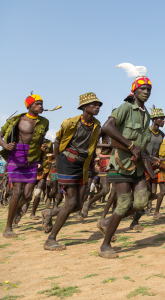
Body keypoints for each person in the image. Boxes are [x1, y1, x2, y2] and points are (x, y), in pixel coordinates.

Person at [97, 63, 152, 258]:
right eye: (142, 89)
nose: (146, 92)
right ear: (134, 91)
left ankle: (107, 222)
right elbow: (107, 127)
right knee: (122, 204)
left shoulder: (147, 114)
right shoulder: (126, 108)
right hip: (120, 163)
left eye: (148, 89)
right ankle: (105, 246)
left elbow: (142, 143)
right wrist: (130, 146)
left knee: (142, 202)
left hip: (137, 166)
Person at [42, 93, 102, 250]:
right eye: (94, 104)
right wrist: (57, 162)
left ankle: (49, 213)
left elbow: (93, 146)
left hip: (83, 165)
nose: (97, 107)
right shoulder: (70, 123)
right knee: (70, 203)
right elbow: (57, 141)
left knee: (77, 205)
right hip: (67, 162)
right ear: (84, 107)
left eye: (99, 105)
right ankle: (51, 239)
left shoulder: (96, 125)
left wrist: (91, 168)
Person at [0, 94, 49, 238]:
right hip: (16, 156)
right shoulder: (16, 120)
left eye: (41, 104)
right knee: (17, 192)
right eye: (37, 104)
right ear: (29, 106)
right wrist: (5, 145)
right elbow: (0, 135)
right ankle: (8, 228)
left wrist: (43, 146)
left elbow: (41, 139)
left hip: (33, 157)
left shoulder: (44, 122)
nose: (40, 106)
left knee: (28, 195)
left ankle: (14, 211)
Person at [129, 106, 165, 228]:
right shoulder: (145, 132)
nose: (163, 120)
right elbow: (141, 149)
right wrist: (150, 159)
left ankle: (133, 209)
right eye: (160, 118)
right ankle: (134, 221)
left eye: (163, 118)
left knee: (153, 193)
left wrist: (160, 161)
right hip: (144, 165)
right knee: (145, 194)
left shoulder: (162, 134)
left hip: (155, 166)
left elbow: (159, 151)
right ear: (154, 119)